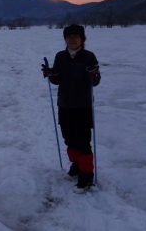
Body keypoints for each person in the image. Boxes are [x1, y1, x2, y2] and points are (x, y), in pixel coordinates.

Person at [42, 24, 101, 194]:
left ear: (82, 39)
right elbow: (57, 80)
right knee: (69, 139)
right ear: (65, 39)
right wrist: (51, 74)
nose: (72, 39)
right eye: (69, 37)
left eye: (76, 36)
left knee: (82, 141)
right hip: (65, 104)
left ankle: (87, 175)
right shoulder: (60, 56)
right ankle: (76, 166)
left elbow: (95, 81)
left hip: (82, 105)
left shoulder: (89, 56)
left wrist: (94, 74)